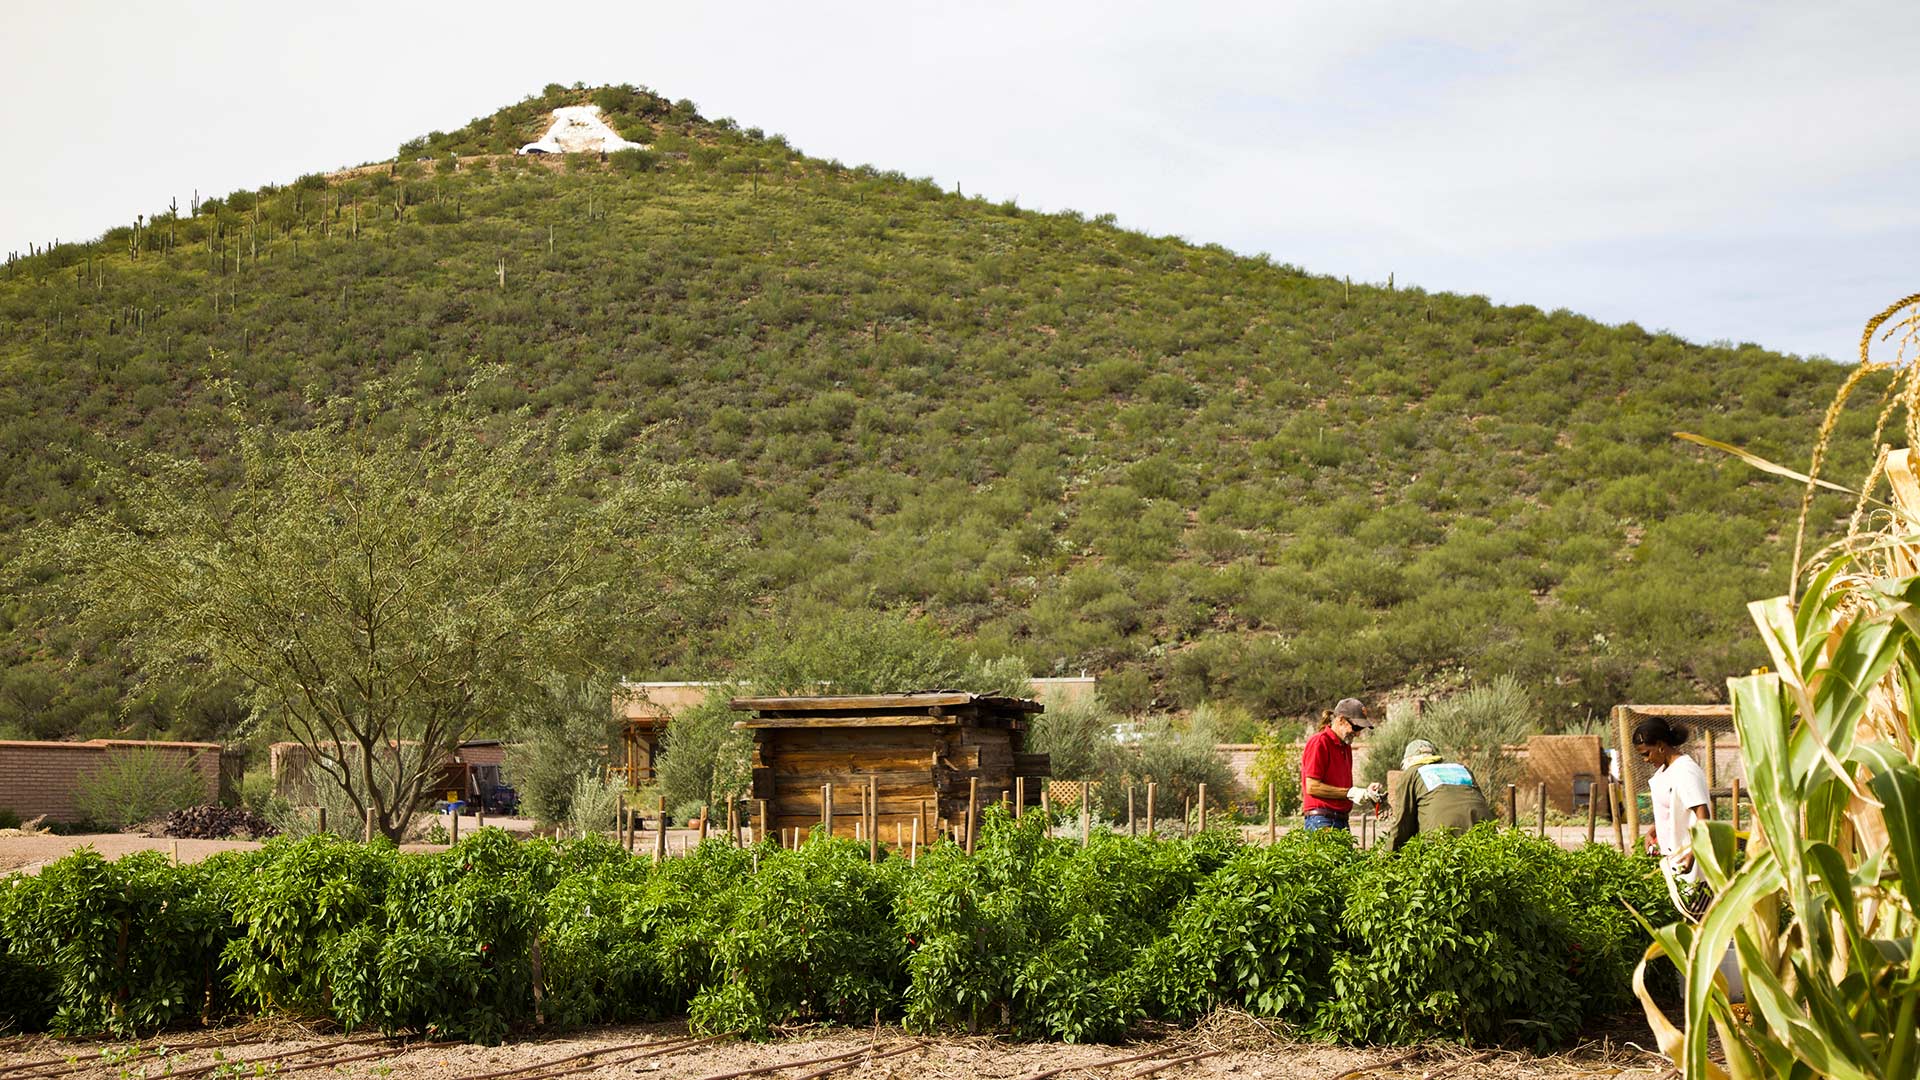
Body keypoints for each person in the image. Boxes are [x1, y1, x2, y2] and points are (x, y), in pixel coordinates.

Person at [1633, 715, 1711, 882]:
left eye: (1647, 753)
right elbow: (1674, 808)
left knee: (1696, 907)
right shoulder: (1665, 771)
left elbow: (1703, 815)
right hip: (1674, 859)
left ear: (1661, 745)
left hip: (1690, 861)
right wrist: (1655, 830)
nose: (1646, 760)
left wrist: (1694, 852)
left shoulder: (1685, 771)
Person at [1384, 738, 1494, 851]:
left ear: (1407, 761)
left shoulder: (1411, 773)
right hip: (1485, 833)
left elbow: (1403, 822)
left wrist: (1389, 857)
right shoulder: (1462, 769)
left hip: (1442, 840)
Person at [1300, 697, 1383, 832]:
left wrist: (1366, 793)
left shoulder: (1345, 747)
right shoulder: (1320, 742)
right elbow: (1312, 787)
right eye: (1356, 727)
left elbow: (1340, 788)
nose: (1357, 733)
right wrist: (1351, 793)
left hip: (1341, 819)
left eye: (1360, 729)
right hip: (1321, 820)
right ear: (1341, 720)